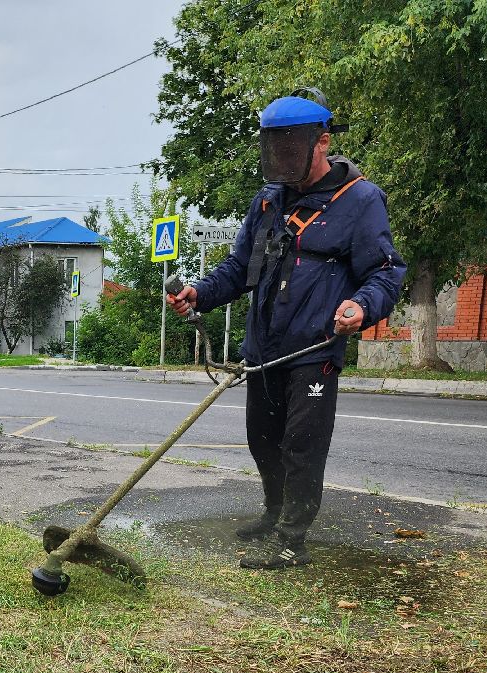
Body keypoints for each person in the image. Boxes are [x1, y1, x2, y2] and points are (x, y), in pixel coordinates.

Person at [169, 90, 405, 569]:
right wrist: (199, 292)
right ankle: (274, 513)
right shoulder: (268, 201)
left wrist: (361, 307)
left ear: (321, 142)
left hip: (314, 347)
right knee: (262, 437)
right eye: (275, 147)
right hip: (264, 346)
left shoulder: (359, 200)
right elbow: (238, 269)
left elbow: (386, 272)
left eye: (290, 147)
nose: (281, 157)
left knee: (302, 443)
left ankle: (292, 539)